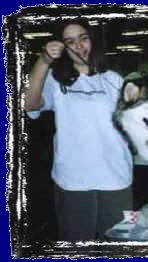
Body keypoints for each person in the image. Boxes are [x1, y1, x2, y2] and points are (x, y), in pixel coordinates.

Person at [24, 19, 133, 242]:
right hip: (72, 181)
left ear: (92, 40)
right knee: (76, 247)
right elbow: (29, 105)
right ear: (62, 47)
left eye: (83, 38)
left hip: (118, 178)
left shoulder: (114, 79)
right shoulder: (55, 81)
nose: (78, 45)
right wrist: (43, 62)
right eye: (69, 41)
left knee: (121, 246)